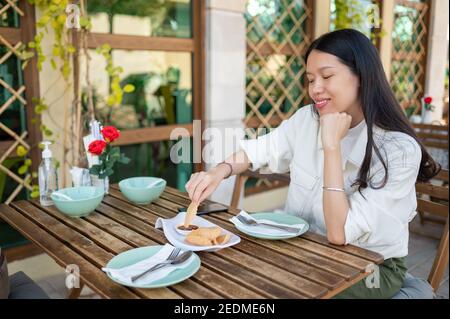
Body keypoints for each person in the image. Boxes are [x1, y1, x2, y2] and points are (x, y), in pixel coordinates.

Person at [185, 29, 440, 299]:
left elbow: (339, 233)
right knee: (226, 271)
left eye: (327, 76)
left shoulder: (397, 149)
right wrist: (218, 171)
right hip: (303, 249)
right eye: (310, 79)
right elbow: (261, 148)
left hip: (371, 266)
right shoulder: (307, 119)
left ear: (362, 77)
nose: (315, 88)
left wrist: (332, 148)